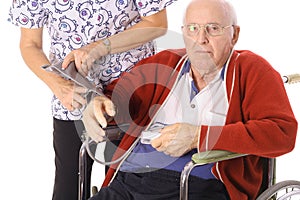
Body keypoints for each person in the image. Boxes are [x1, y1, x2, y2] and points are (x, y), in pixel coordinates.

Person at [81, 0, 298, 199]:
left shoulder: (252, 70)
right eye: (193, 28)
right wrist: (96, 106)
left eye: (213, 29)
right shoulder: (164, 63)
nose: (201, 39)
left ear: (234, 35)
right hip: (129, 181)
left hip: (196, 184)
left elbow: (282, 133)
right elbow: (115, 99)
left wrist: (198, 136)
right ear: (183, 33)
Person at [8, 0, 178, 199]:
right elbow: (30, 44)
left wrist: (98, 47)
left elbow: (156, 23)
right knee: (68, 188)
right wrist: (58, 86)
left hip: (134, 96)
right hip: (73, 96)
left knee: (126, 189)